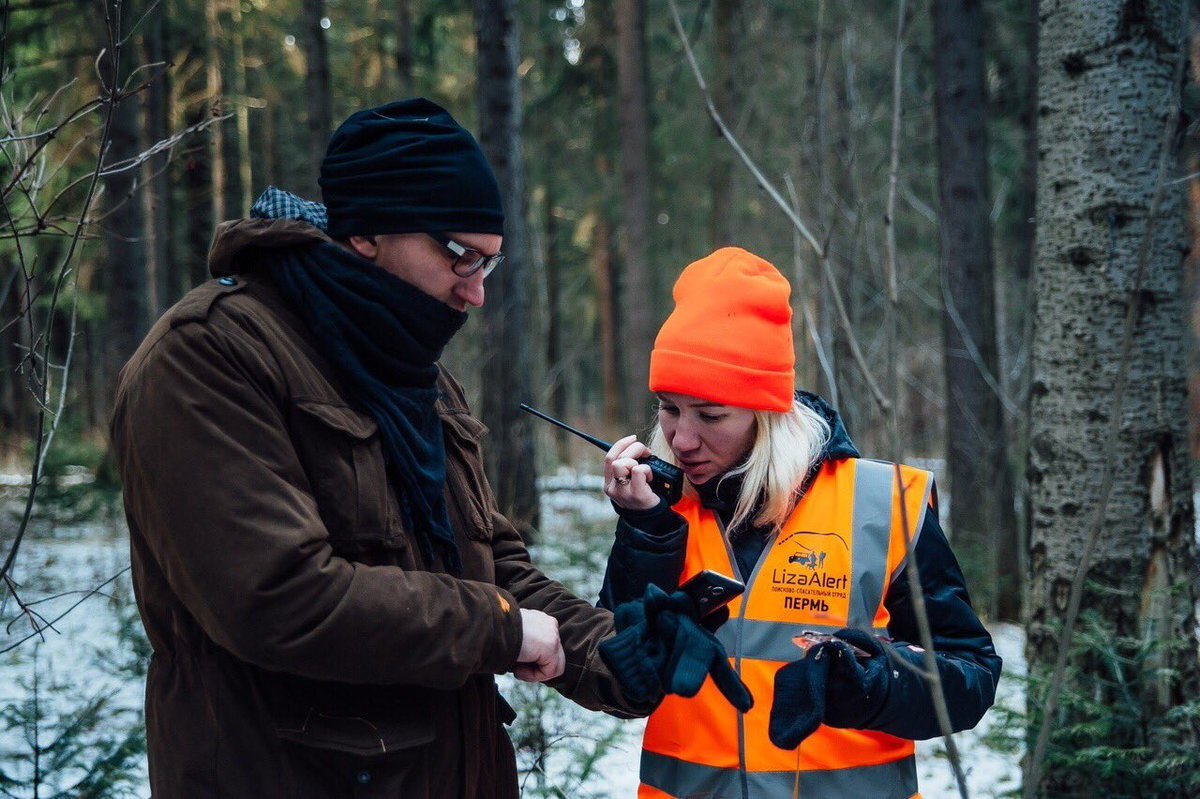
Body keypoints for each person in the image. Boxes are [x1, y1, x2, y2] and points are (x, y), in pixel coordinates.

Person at [110, 98, 652, 798]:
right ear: (366, 232)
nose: (477, 292)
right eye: (460, 256)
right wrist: (502, 631)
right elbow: (281, 598)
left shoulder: (414, 369)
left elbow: (492, 565)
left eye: (491, 263)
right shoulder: (208, 356)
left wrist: (614, 653)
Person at [595, 247, 1002, 799]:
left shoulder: (884, 506)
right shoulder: (660, 510)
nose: (681, 438)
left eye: (710, 415)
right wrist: (642, 531)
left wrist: (873, 685)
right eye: (669, 408)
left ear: (767, 414)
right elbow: (611, 676)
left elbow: (971, 677)